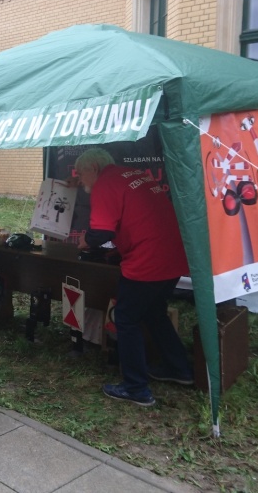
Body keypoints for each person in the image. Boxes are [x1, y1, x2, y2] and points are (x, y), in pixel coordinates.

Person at [74, 148, 192, 407]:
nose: (79, 180)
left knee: (126, 318)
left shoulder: (105, 183)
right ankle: (180, 369)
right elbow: (139, 219)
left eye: (80, 173)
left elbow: (100, 233)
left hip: (149, 261)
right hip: (173, 257)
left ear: (93, 167)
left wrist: (85, 241)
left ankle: (136, 388)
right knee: (154, 313)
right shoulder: (131, 175)